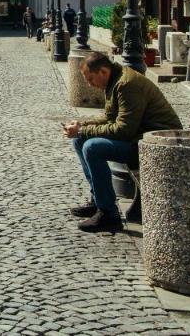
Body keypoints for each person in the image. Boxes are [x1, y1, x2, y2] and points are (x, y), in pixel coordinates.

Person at [62, 51, 182, 232]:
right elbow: (109, 117)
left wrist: (82, 131)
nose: (89, 84)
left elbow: (123, 130)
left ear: (103, 71)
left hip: (157, 144)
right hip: (140, 137)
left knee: (92, 147)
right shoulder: (114, 80)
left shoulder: (126, 84)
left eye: (91, 78)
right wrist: (82, 126)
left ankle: (108, 214)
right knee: (80, 141)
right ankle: (98, 200)